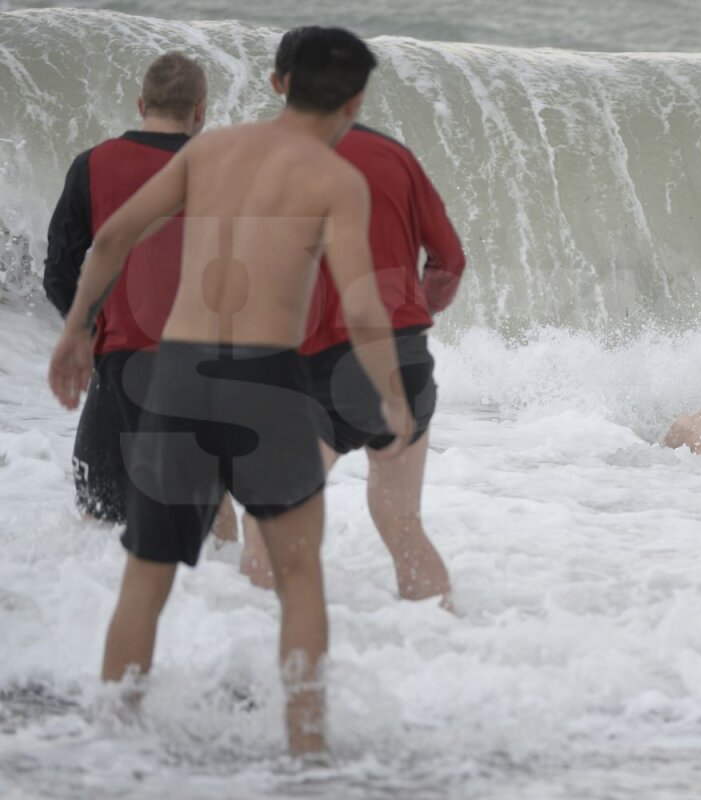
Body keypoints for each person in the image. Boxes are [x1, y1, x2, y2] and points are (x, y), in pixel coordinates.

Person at [47, 28, 410, 755]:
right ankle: (307, 755)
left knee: (146, 575)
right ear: (355, 100)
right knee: (299, 574)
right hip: (265, 384)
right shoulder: (336, 179)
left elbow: (112, 238)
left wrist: (76, 332)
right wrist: (391, 397)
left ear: (278, 84)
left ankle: (108, 748)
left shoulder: (211, 150)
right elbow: (363, 305)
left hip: (178, 374)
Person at [238, 27, 466, 607]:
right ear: (356, 97)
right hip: (403, 360)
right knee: (400, 523)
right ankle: (453, 652)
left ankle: (266, 672)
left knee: (268, 522)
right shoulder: (397, 158)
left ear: (277, 83)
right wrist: (413, 313)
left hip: (307, 366)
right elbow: (449, 261)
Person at [42, 53, 234, 541]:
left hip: (118, 371)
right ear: (200, 110)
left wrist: (90, 333)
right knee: (212, 533)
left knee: (97, 530)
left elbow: (59, 274)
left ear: (141, 103)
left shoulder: (93, 166)